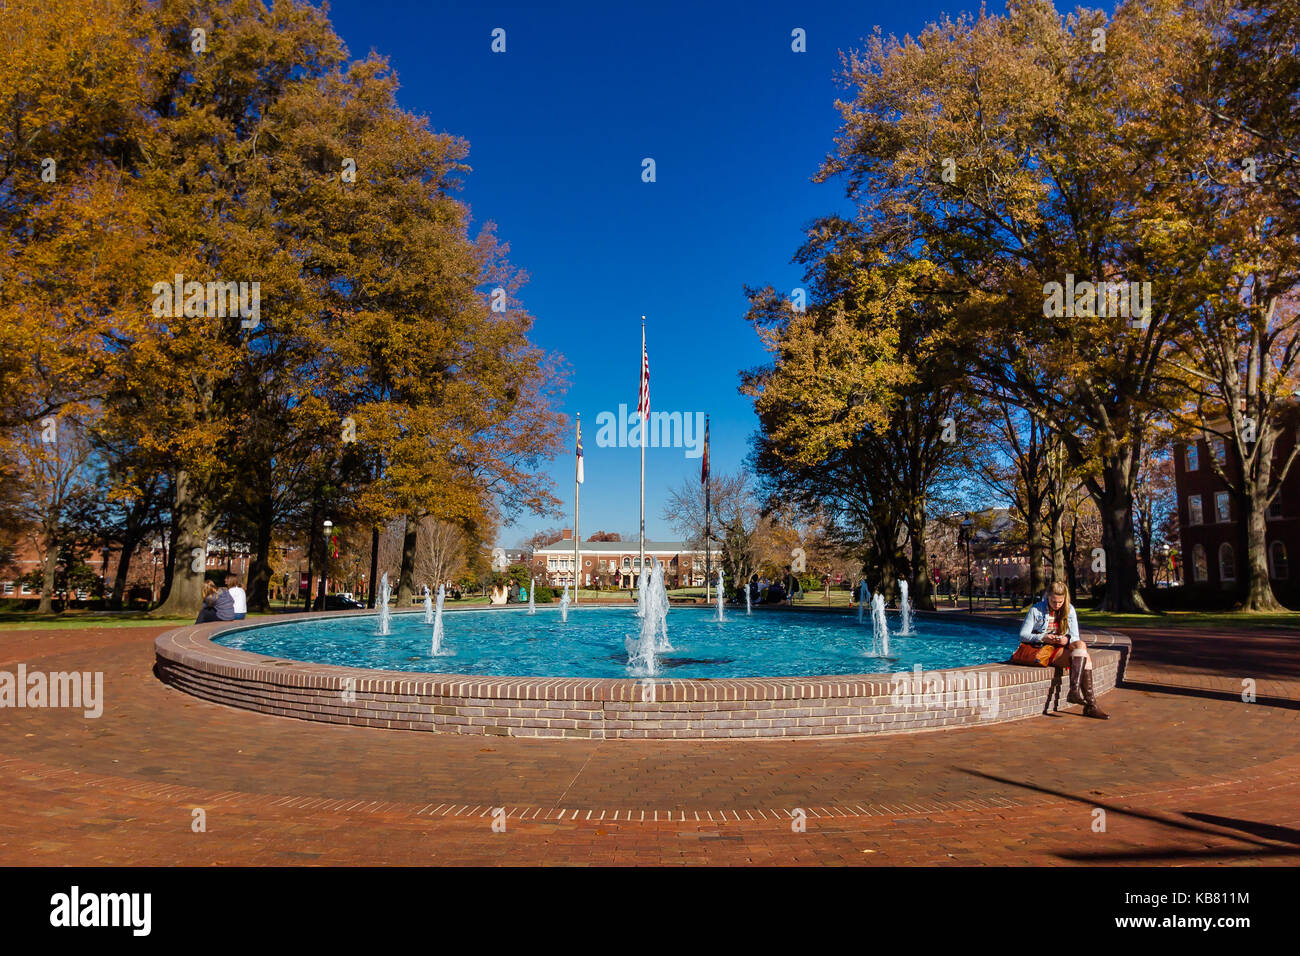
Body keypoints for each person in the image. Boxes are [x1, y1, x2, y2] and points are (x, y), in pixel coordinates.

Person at [1015, 581, 1108, 719]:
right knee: (1086, 657)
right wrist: (1043, 637)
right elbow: (1023, 635)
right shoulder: (1036, 610)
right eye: (1053, 601)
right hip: (1044, 649)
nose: (1057, 605)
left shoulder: (1069, 609)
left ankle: (1075, 692)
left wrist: (1067, 639)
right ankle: (1090, 705)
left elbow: (1075, 636)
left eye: (1060, 602)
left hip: (1062, 646)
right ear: (1048, 596)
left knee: (1081, 645)